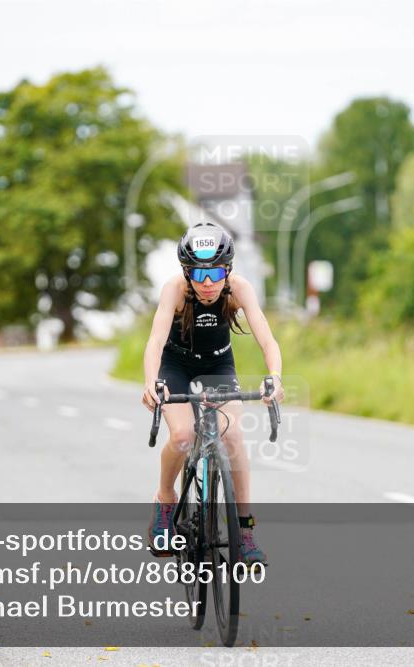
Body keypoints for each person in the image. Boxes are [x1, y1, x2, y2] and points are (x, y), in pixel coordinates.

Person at [141, 222, 284, 566]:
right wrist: (150, 382)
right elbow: (156, 339)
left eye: (216, 272)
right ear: (186, 272)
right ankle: (165, 501)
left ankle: (245, 531)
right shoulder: (175, 290)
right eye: (199, 274)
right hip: (176, 366)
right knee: (182, 435)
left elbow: (266, 336)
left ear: (228, 269)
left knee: (233, 437)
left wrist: (275, 377)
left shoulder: (239, 289)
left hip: (219, 367)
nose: (208, 283)